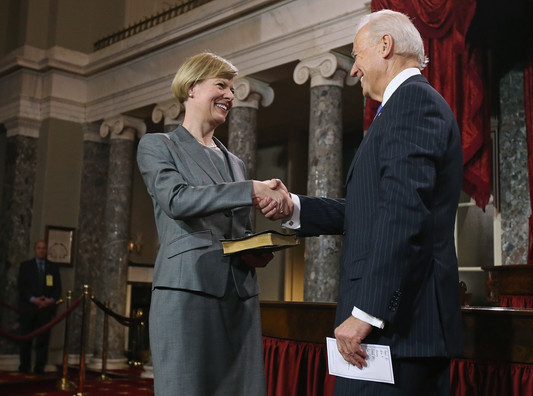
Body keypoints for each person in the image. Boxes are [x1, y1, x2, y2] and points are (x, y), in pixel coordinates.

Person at [260, 10, 463, 395]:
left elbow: (404, 215)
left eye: (357, 55)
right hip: (396, 329)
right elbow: (375, 209)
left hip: (397, 328)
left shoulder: (413, 104)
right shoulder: (402, 108)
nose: (354, 70)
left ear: (385, 46)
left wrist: (367, 312)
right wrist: (295, 207)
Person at [136, 52, 286, 396]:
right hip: (187, 292)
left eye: (233, 88)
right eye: (221, 85)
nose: (231, 96)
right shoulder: (159, 146)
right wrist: (250, 190)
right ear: (191, 88)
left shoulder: (234, 162)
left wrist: (254, 250)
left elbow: (236, 231)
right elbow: (177, 200)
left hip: (240, 297)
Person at [17, 240, 62, 374]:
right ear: (35, 250)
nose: (41, 251)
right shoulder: (26, 266)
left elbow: (57, 288)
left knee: (43, 340)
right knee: (26, 339)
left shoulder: (52, 267)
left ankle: (39, 368)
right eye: (39, 248)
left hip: (46, 309)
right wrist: (34, 300)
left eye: (43, 248)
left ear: (46, 251)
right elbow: (21, 287)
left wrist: (50, 300)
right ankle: (24, 367)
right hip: (28, 308)